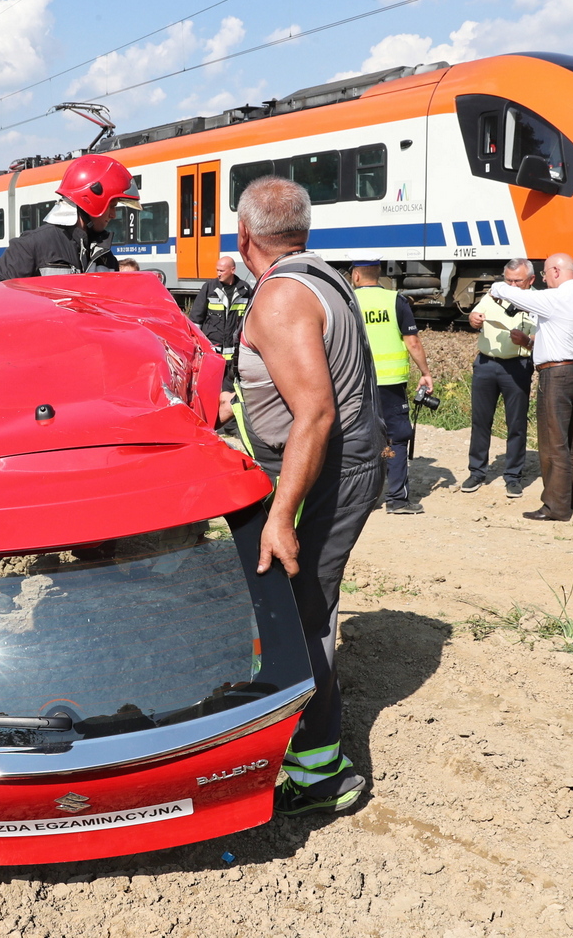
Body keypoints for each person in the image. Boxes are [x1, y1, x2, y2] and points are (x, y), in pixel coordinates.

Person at [223, 176, 383, 817]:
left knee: (303, 614)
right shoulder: (323, 276)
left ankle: (322, 774)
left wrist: (281, 514)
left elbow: (313, 414)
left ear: (243, 235)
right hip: (333, 469)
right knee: (300, 608)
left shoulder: (281, 299)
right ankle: (302, 743)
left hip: (321, 475)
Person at [488, 253, 573, 522]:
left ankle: (556, 507)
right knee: (572, 438)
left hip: (556, 375)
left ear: (557, 272)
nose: (545, 279)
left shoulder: (556, 298)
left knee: (552, 442)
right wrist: (531, 341)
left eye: (546, 274)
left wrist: (498, 287)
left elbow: (511, 293)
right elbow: (562, 332)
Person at [349, 261, 432, 514]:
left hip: (356, 384)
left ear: (355, 275)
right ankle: (398, 500)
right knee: (396, 439)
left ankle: (363, 500)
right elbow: (413, 342)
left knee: (361, 439)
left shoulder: (347, 301)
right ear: (380, 274)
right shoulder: (396, 300)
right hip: (391, 385)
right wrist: (426, 373)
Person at [0, 153, 134, 281]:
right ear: (92, 199)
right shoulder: (31, 246)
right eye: (112, 206)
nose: (113, 215)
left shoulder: (105, 254)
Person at [463, 258, 538, 497]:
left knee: (516, 423)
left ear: (531, 280)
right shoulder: (495, 293)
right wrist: (473, 320)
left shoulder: (539, 301)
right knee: (480, 421)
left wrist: (525, 341)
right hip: (486, 364)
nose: (512, 286)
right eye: (508, 280)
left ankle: (513, 476)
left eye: (518, 281)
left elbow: (544, 338)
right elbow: (474, 317)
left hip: (517, 366)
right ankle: (476, 472)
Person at [188, 256, 252, 386]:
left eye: (222, 271)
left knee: (230, 392)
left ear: (232, 270)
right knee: (210, 388)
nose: (218, 274)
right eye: (217, 270)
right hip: (213, 352)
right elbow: (195, 319)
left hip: (235, 356)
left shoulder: (244, 290)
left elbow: (251, 320)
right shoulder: (209, 288)